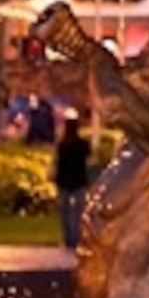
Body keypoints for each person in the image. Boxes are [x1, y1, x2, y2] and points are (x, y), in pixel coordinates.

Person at [53, 106, 93, 253]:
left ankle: (70, 238)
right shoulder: (80, 144)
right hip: (77, 180)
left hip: (67, 180)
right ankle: (74, 237)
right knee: (76, 211)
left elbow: (58, 162)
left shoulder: (63, 144)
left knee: (66, 212)